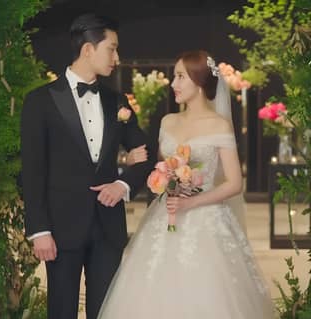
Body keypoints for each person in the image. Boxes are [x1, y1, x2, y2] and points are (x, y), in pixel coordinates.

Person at [96, 50, 275, 319]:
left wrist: (192, 201)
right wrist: (147, 166)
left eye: (180, 76)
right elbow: (161, 167)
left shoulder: (219, 125)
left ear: (200, 81)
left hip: (206, 218)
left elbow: (235, 183)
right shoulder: (168, 122)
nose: (173, 83)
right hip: (165, 215)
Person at [20, 13, 155, 319]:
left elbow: (146, 150)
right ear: (87, 50)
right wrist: (39, 230)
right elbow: (33, 170)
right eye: (112, 49)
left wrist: (123, 184)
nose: (117, 58)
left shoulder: (115, 100)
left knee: (105, 312)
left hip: (108, 229)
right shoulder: (40, 101)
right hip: (60, 229)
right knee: (62, 311)